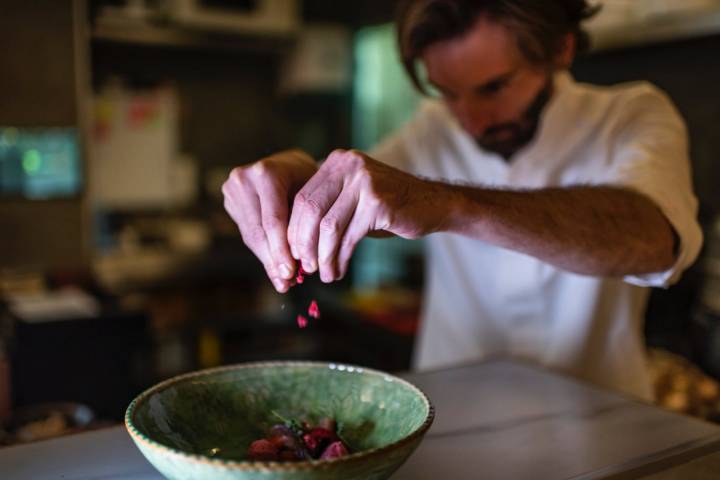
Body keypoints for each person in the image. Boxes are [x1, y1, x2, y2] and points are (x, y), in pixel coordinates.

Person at [222, 0, 703, 400]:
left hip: (603, 423)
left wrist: (450, 204)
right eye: (448, 93)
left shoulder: (632, 115)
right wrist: (298, 177)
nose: (470, 120)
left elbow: (653, 238)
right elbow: (351, 184)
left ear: (561, 47)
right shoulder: (433, 128)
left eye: (494, 87)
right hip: (451, 419)